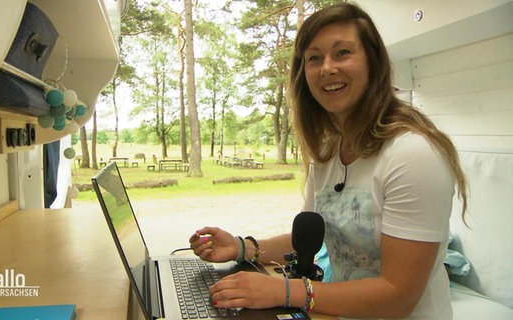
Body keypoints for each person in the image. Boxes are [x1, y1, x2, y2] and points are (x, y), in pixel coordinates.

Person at [189, 2, 468, 319]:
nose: (327, 68)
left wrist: (283, 291)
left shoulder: (412, 154)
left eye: (343, 53)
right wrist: (244, 248)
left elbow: (398, 295)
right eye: (314, 58)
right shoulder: (327, 153)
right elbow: (310, 240)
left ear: (373, 63)